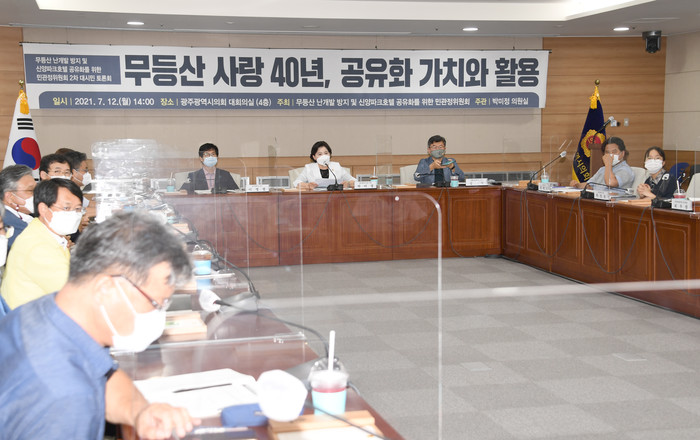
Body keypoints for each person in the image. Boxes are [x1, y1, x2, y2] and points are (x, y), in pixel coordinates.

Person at [0, 211, 199, 439]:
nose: (158, 316)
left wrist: (139, 411)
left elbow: (101, 374)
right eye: (156, 303)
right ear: (106, 289)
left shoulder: (47, 311)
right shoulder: (66, 400)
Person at [0, 179, 83, 309]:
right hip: (30, 319)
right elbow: (76, 295)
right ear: (44, 209)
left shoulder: (41, 232)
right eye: (66, 208)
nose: (74, 214)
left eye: (78, 209)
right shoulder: (38, 247)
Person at [570, 137, 635, 190]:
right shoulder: (603, 169)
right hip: (596, 199)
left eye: (614, 152)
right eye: (607, 152)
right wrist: (577, 185)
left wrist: (608, 165)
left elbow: (610, 183)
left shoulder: (625, 170)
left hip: (614, 201)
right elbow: (590, 185)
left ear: (622, 153)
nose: (610, 155)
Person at [0, 165, 35, 249]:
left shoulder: (22, 216)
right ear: (10, 197)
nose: (37, 194)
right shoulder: (7, 223)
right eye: (30, 190)